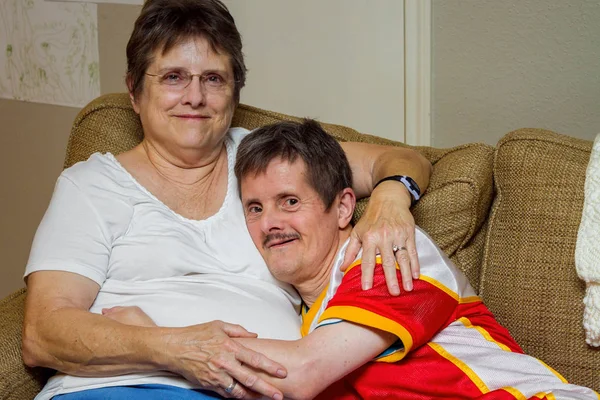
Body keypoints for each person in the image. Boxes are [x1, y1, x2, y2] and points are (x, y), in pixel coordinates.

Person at [21, 1, 432, 400]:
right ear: (134, 90)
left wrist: (391, 201)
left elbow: (402, 160)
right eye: (173, 77)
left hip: (256, 388)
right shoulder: (91, 185)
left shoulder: (269, 162)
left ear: (234, 92)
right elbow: (42, 333)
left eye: (213, 79)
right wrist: (169, 347)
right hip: (112, 389)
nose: (195, 97)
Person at [226, 119, 598, 399]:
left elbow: (301, 371)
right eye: (255, 208)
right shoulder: (305, 319)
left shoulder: (389, 254)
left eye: (290, 201)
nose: (271, 223)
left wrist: (177, 348)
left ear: (342, 208)